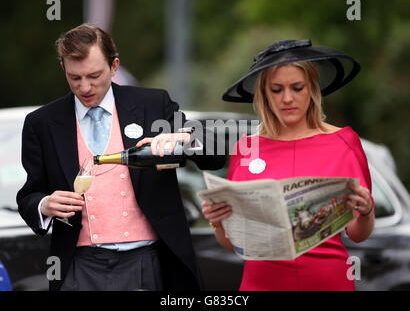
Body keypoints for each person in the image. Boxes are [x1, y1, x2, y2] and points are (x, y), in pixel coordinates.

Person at [16, 23, 225, 291]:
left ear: (114, 66)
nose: (85, 87)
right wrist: (44, 204)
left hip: (149, 260)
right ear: (64, 70)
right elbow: (29, 195)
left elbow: (216, 153)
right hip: (78, 266)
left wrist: (185, 138)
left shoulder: (153, 104)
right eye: (74, 77)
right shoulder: (41, 123)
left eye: (94, 75)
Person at [202, 39, 374, 291]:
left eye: (297, 88)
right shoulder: (247, 147)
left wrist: (367, 211)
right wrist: (217, 222)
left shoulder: (343, 142)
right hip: (260, 284)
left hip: (328, 282)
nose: (287, 98)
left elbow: (358, 234)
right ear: (264, 93)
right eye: (276, 89)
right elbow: (236, 245)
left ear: (312, 89)